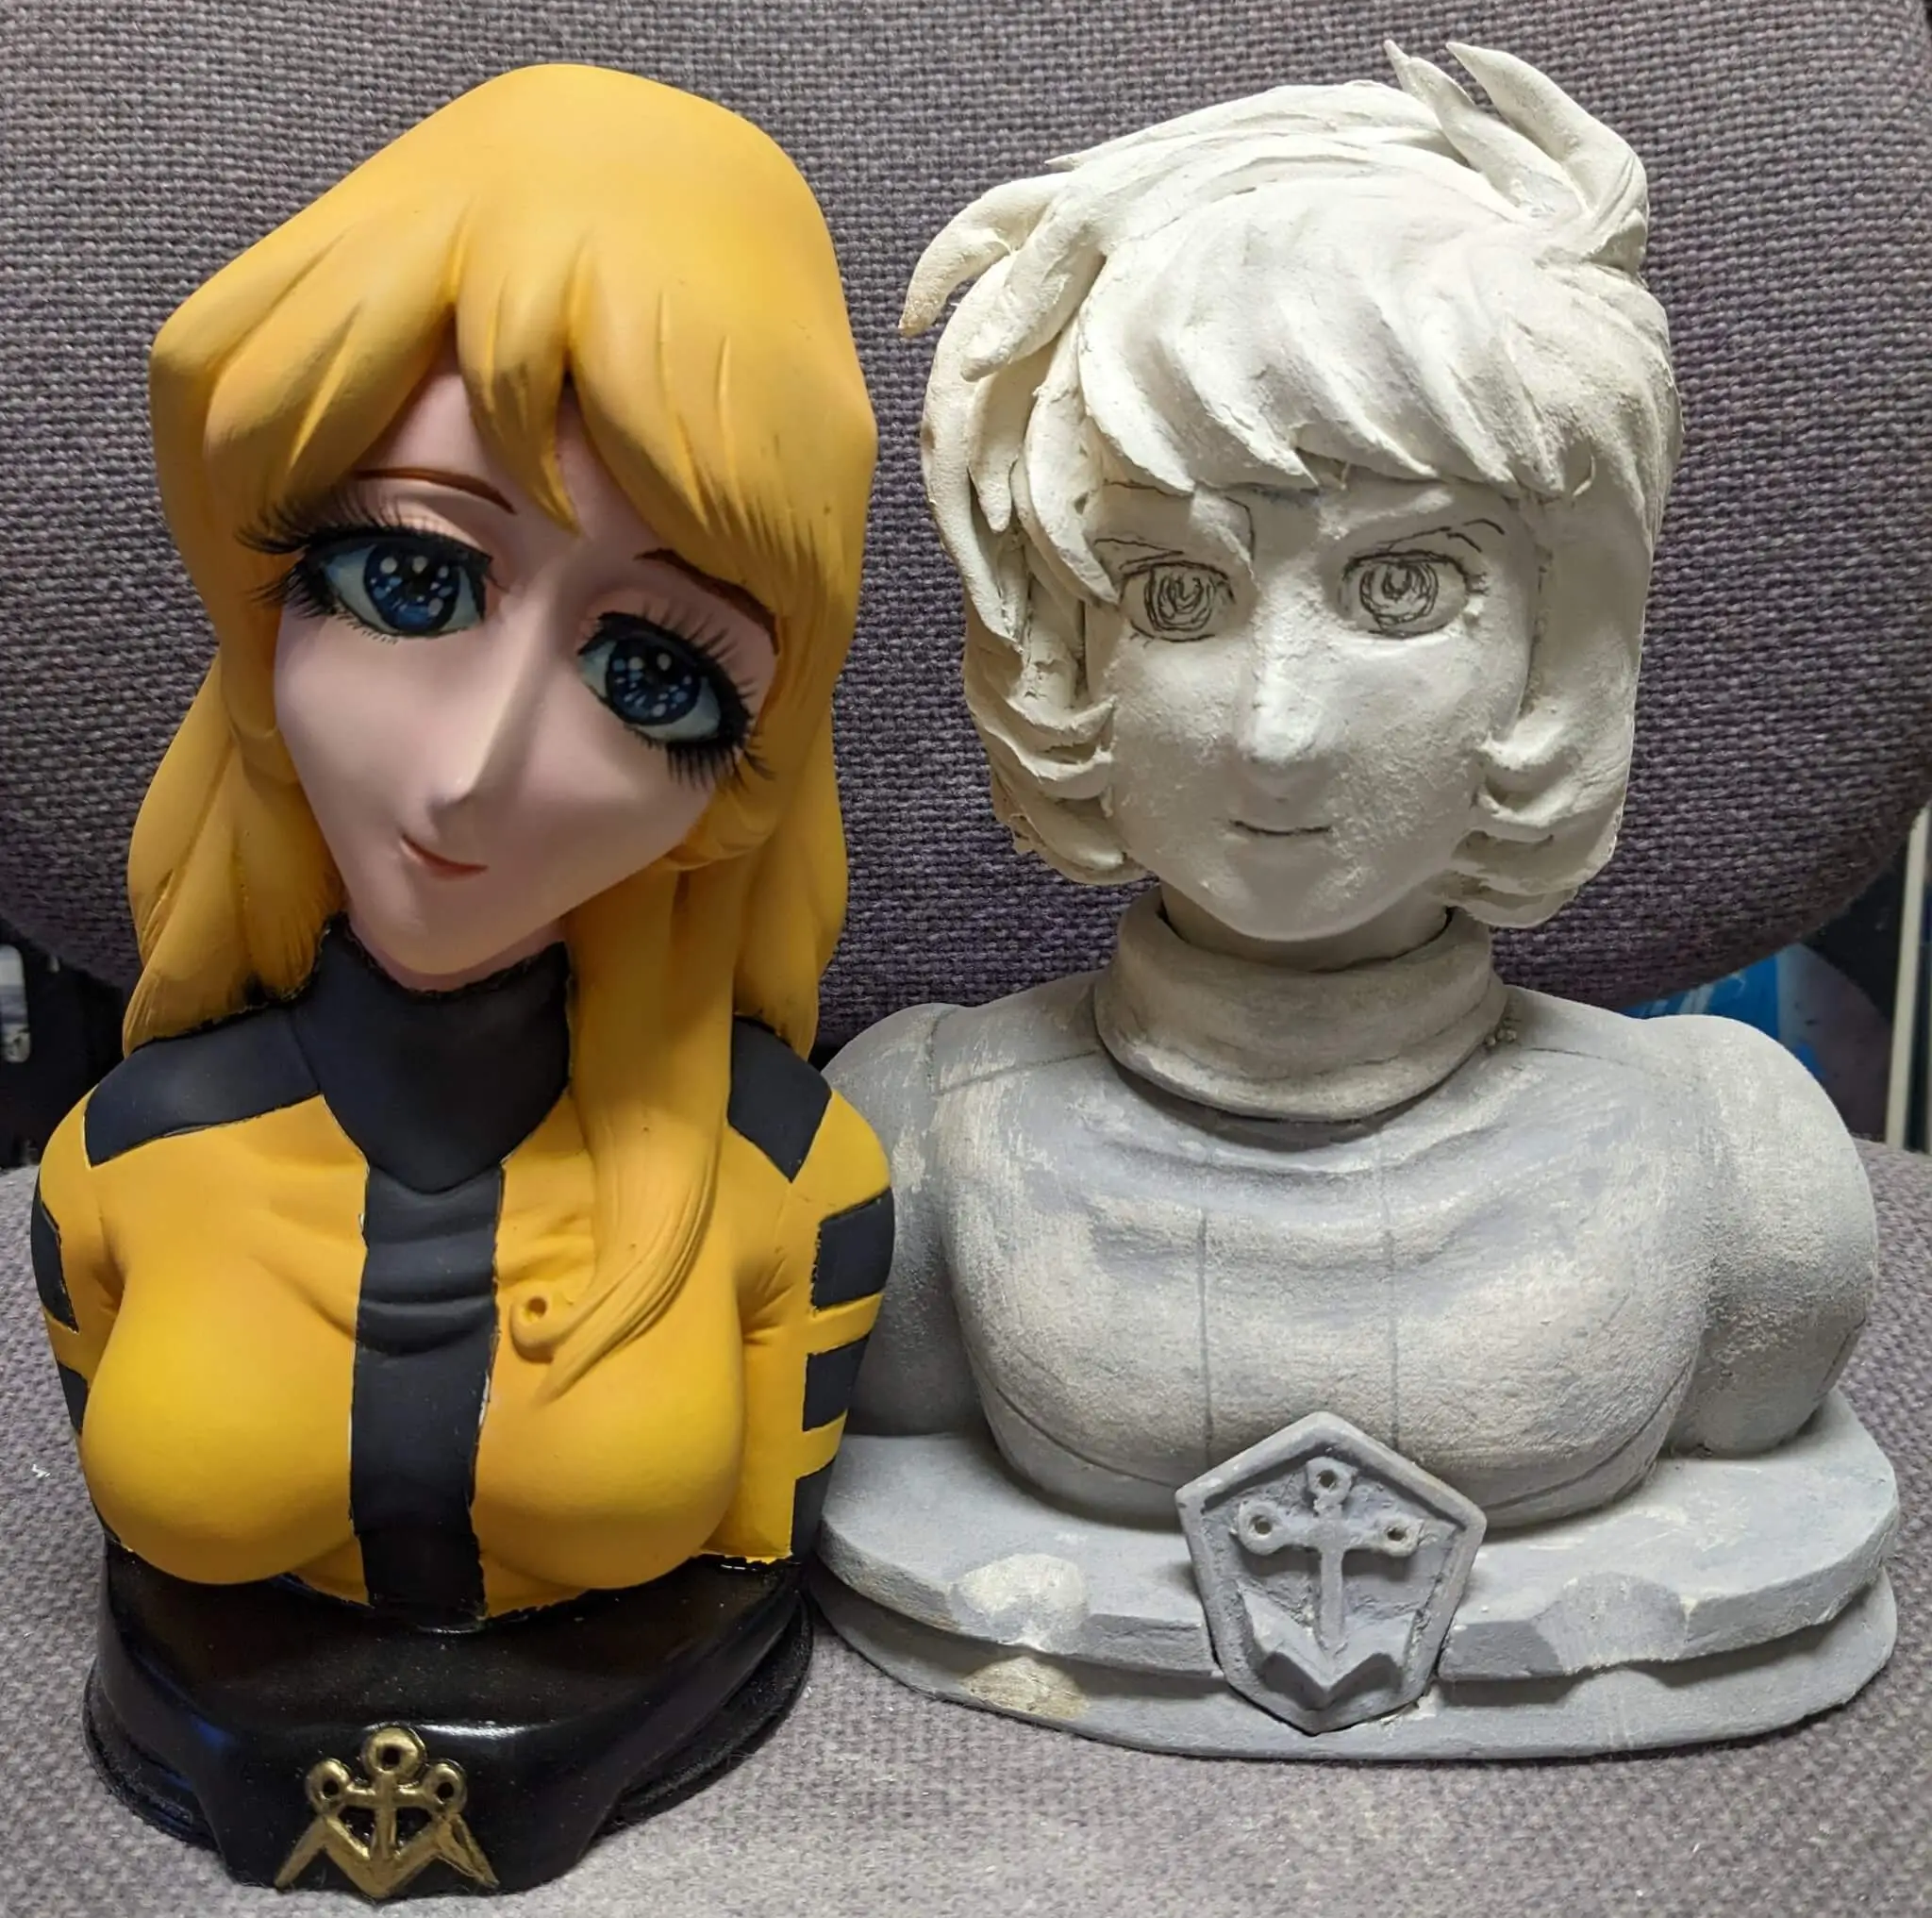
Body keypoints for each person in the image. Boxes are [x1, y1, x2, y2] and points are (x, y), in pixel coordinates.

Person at [820, 45, 1884, 1752]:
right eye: (1179, 595)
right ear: (1060, 645)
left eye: (1402, 586)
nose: (1281, 728)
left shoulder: (1745, 1184)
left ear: (1560, 635)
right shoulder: (916, 1152)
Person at [28, 64, 890, 1886]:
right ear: (260, 593)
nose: (476, 770)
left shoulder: (800, 1184)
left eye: (653, 678)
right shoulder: (118, 1165)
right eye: (410, 583)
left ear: (743, 778)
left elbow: (748, 1570)